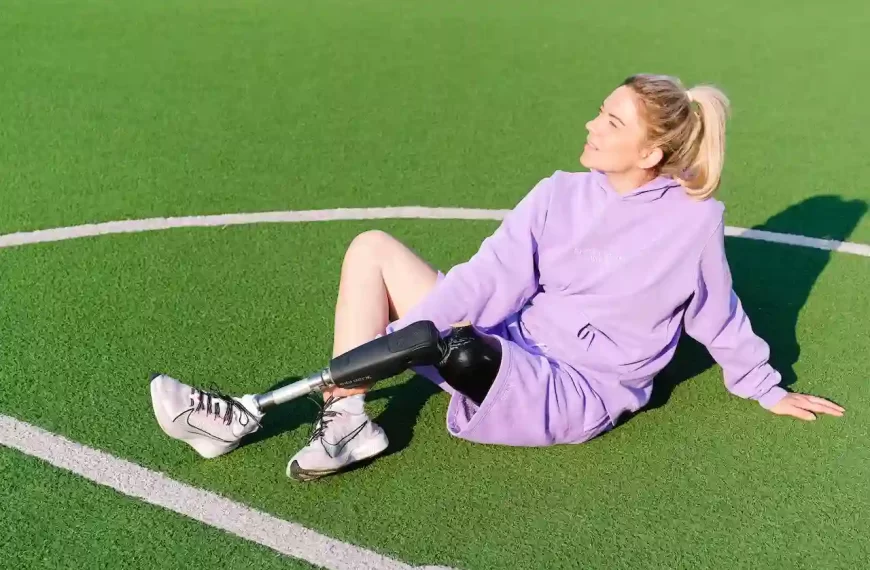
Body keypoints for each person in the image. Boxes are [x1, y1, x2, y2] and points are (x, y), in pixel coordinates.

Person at [149, 74, 845, 481]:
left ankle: (270, 411)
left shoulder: (691, 226)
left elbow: (717, 317)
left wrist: (765, 388)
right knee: (373, 249)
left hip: (573, 389)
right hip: (516, 336)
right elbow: (490, 278)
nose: (591, 124)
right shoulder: (557, 193)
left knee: (459, 349)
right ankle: (348, 419)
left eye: (611, 120)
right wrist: (415, 330)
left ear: (653, 149)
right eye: (599, 112)